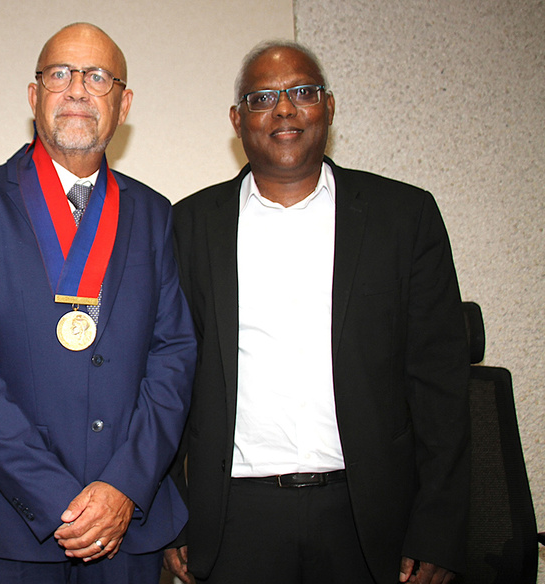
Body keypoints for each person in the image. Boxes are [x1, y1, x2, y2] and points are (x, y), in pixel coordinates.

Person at [166, 41, 470, 584]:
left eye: (302, 92)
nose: (285, 109)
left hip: (370, 522)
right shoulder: (188, 226)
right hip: (234, 521)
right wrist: (173, 516)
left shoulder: (404, 218)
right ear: (238, 120)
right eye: (263, 97)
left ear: (328, 106)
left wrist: (438, 527)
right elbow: (167, 379)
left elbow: (440, 386)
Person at [0, 22, 196, 583]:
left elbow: (173, 356)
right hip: (16, 529)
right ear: (34, 96)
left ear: (123, 104)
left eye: (97, 77)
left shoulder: (153, 214)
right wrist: (58, 499)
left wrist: (125, 485)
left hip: (130, 528)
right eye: (60, 74)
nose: (77, 89)